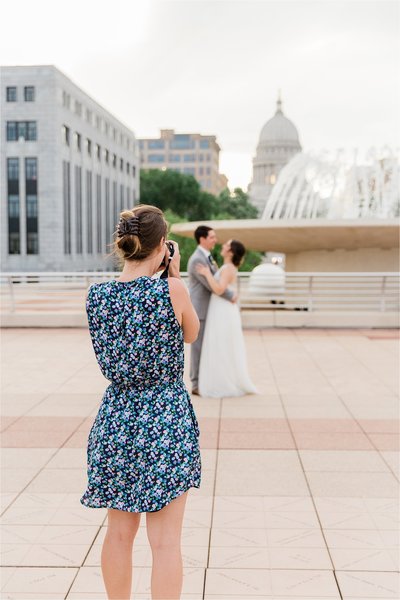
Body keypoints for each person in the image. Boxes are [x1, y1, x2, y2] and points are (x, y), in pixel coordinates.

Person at [80, 205, 201, 600]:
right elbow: (191, 334)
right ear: (163, 246)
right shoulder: (172, 290)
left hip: (117, 417)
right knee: (165, 541)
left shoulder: (98, 296)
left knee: (118, 534)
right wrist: (175, 276)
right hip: (164, 417)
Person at [196, 239, 257, 398]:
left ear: (230, 251)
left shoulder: (228, 268)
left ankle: (223, 383)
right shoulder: (227, 267)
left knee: (221, 344)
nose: (223, 246)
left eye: (226, 245)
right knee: (220, 344)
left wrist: (207, 274)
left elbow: (218, 289)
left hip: (223, 310)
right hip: (220, 308)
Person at [187, 226, 235, 395]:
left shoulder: (207, 258)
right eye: (212, 237)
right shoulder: (197, 260)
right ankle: (195, 384)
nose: (215, 240)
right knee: (198, 349)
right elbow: (212, 286)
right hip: (200, 310)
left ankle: (204, 380)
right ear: (202, 239)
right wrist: (232, 296)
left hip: (210, 310)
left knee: (207, 348)